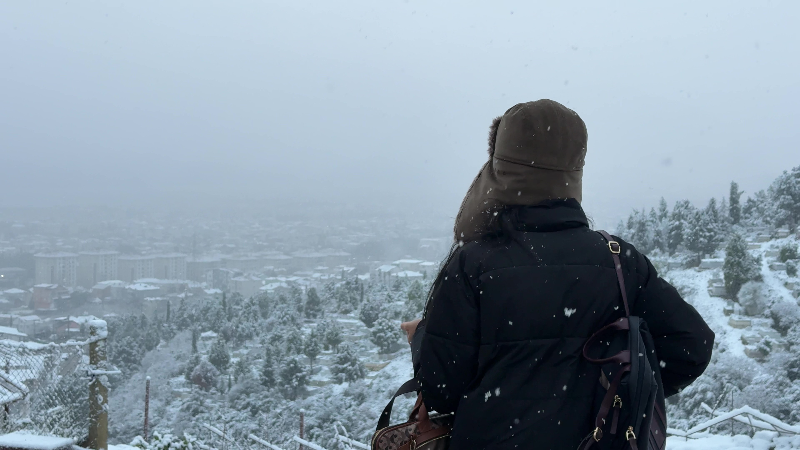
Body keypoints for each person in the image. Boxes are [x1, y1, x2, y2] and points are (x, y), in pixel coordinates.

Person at [399, 100, 714, 450]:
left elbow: (441, 390)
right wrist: (621, 389)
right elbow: (691, 346)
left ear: (498, 170)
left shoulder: (473, 264)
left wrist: (423, 336)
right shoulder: (619, 260)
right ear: (574, 173)